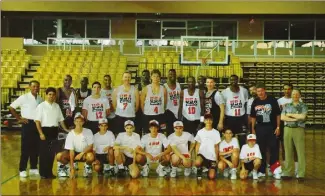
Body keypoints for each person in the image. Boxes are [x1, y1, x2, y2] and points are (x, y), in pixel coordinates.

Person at [9, 80, 43, 178]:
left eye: (37, 86)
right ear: (29, 87)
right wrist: (19, 118)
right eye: (34, 86)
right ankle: (22, 169)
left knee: (36, 147)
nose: (36, 88)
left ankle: (33, 168)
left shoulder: (40, 99)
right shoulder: (24, 97)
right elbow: (11, 107)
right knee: (25, 148)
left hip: (37, 124)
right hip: (27, 124)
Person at [34, 87, 69, 179]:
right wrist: (41, 133)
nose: (51, 96)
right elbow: (37, 121)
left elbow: (61, 120)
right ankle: (43, 173)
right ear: (46, 95)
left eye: (53, 95)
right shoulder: (41, 106)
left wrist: (66, 129)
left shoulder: (57, 106)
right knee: (43, 153)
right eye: (49, 94)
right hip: (44, 130)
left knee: (51, 153)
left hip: (54, 131)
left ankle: (49, 172)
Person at [250, 83, 281, 179]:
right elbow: (253, 117)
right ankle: (262, 171)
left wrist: (278, 127)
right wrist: (252, 129)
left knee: (274, 149)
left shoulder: (272, 100)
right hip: (260, 128)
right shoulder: (255, 101)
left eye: (261, 91)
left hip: (271, 128)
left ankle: (275, 170)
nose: (260, 93)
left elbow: (278, 114)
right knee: (261, 150)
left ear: (265, 90)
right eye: (258, 91)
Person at [56, 113, 95, 178]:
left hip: (84, 153)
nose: (79, 123)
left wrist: (82, 153)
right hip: (73, 153)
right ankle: (67, 167)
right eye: (77, 121)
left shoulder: (88, 131)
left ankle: (87, 167)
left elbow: (90, 146)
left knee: (90, 156)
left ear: (83, 122)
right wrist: (72, 168)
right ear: (74, 122)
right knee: (59, 156)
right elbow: (71, 151)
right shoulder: (70, 134)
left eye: (80, 121)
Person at [281, 90, 307, 182]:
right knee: (287, 151)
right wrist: (295, 118)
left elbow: (303, 117)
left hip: (298, 129)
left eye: (297, 94)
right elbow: (282, 117)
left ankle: (301, 174)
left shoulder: (303, 105)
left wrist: (290, 115)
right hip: (287, 129)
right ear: (291, 95)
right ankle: (287, 172)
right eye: (293, 94)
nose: (295, 95)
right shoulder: (287, 106)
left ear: (299, 95)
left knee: (300, 152)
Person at [221, 74, 249, 147]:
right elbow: (222, 106)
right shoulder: (224, 92)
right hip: (229, 118)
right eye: (231, 80)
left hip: (241, 117)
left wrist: (246, 117)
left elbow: (246, 104)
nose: (233, 81)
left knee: (242, 138)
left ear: (238, 80)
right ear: (229, 81)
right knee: (230, 138)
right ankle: (230, 156)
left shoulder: (244, 91)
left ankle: (242, 156)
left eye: (235, 79)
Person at [278, 83, 299, 174]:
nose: (287, 91)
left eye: (289, 89)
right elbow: (278, 115)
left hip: (295, 126)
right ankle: (286, 170)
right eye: (285, 89)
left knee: (295, 148)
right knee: (284, 148)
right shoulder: (279, 101)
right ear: (283, 90)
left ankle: (297, 169)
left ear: (292, 90)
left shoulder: (297, 99)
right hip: (284, 126)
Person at [195, 114, 221, 180]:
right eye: (207, 120)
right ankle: (199, 168)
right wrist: (196, 156)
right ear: (204, 121)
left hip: (212, 157)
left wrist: (217, 158)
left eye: (210, 120)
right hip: (202, 155)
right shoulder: (200, 132)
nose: (208, 121)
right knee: (197, 162)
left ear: (212, 121)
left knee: (211, 177)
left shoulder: (216, 132)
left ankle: (207, 169)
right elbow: (197, 144)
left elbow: (216, 146)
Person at [141, 69, 167, 133]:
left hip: (160, 115)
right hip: (148, 115)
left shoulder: (163, 89)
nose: (156, 78)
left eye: (157, 76)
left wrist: (161, 110)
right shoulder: (146, 89)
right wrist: (145, 113)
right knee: (147, 133)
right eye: (154, 76)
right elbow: (142, 103)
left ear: (160, 78)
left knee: (161, 133)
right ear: (151, 77)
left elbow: (165, 103)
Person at [164, 69, 182, 136]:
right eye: (170, 74)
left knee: (178, 132)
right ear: (167, 75)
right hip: (169, 112)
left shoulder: (178, 85)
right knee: (170, 132)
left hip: (178, 111)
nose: (172, 75)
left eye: (174, 74)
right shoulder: (164, 86)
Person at [135, 70, 150, 135]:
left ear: (149, 76)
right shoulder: (137, 86)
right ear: (141, 76)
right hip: (139, 110)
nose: (145, 76)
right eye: (144, 75)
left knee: (147, 129)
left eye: (147, 75)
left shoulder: (151, 86)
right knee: (138, 129)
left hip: (148, 110)